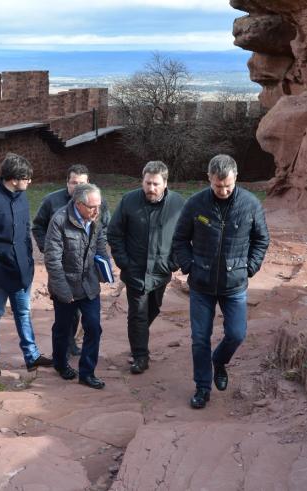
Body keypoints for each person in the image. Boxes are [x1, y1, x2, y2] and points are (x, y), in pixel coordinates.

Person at [172, 154, 269, 409]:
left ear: (235, 177)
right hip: (201, 284)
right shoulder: (195, 204)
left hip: (234, 284)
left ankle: (220, 361)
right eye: (217, 186)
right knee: (200, 338)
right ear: (209, 179)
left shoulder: (250, 204)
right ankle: (202, 387)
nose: (223, 190)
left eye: (227, 185)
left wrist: (249, 268)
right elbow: (180, 239)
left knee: (237, 334)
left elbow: (261, 239)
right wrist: (189, 265)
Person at [0, 153, 52, 375]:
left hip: (21, 268)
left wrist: (30, 260)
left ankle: (32, 356)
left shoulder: (21, 197)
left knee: (23, 312)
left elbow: (25, 231)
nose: (30, 181)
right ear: (13, 178)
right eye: (27, 177)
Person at [107, 161, 185, 374]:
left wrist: (173, 263)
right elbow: (114, 233)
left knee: (153, 309)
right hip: (135, 271)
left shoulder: (178, 203)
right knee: (138, 314)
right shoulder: (129, 201)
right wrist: (124, 262)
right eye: (147, 183)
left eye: (156, 184)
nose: (151, 188)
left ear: (165, 183)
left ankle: (138, 337)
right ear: (142, 181)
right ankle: (140, 356)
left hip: (161, 272)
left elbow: (186, 236)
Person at [32, 164, 110, 357]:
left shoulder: (96, 203)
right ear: (67, 182)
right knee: (66, 318)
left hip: (86, 273)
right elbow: (38, 227)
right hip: (63, 268)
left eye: (82, 183)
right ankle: (64, 351)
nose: (77, 187)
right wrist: (48, 248)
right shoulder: (52, 202)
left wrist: (101, 260)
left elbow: (103, 228)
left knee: (89, 321)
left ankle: (78, 355)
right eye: (74, 183)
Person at [43, 183, 112, 389]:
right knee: (64, 328)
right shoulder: (59, 220)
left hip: (89, 285)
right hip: (65, 286)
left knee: (93, 328)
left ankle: (87, 373)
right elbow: (52, 260)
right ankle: (61, 363)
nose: (97, 211)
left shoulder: (95, 218)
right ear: (78, 204)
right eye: (92, 207)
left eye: (99, 206)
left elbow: (100, 246)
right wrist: (63, 291)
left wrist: (105, 268)